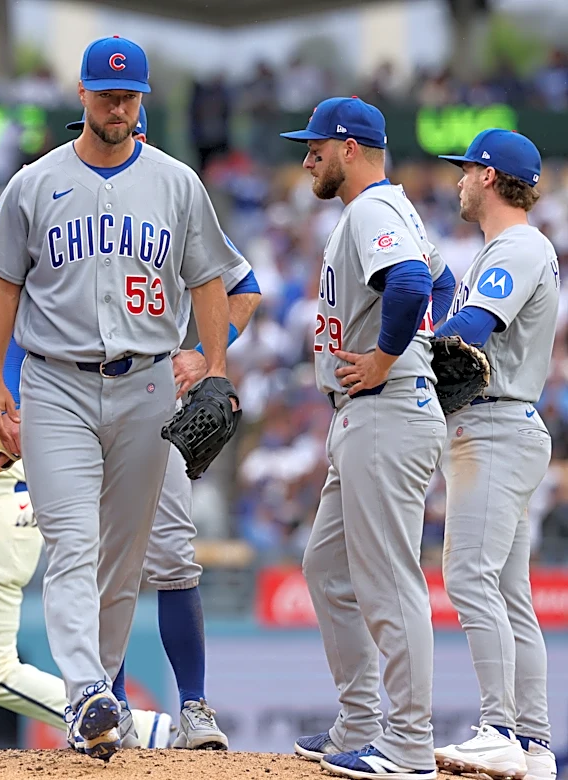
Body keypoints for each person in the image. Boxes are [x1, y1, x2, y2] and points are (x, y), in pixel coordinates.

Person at [0, 36, 240, 761]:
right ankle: (89, 688)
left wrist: (214, 365)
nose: (117, 106)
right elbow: (1, 285)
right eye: (105, 93)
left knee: (124, 563)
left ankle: (106, 707)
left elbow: (210, 279)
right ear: (83, 96)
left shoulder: (177, 182)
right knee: (71, 543)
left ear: (143, 99)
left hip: (149, 379)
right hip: (57, 379)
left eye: (129, 95)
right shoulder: (34, 183)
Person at [65, 105, 262, 750]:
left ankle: (195, 708)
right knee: (94, 561)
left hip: (151, 391)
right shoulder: (61, 201)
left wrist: (206, 354)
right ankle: (106, 706)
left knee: (172, 556)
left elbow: (245, 287)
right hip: (72, 393)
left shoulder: (173, 197)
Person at [281, 97, 455, 780]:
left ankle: (409, 746)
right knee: (327, 569)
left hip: (384, 406)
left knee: (388, 583)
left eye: (316, 147)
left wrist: (388, 356)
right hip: (367, 412)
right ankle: (360, 722)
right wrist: (416, 344)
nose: (307, 158)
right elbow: (441, 279)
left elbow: (415, 282)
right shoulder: (393, 208)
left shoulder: (373, 209)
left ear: (350, 147)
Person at [431, 130, 558, 780]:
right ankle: (533, 745)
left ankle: (499, 729)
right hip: (505, 424)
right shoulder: (508, 247)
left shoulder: (518, 245)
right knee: (509, 593)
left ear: (487, 176)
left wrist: (398, 359)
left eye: (465, 169)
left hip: (496, 426)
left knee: (470, 578)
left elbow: (474, 331)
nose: (457, 180)